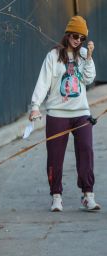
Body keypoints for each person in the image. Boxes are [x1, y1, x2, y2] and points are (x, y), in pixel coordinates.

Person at [29, 15, 101, 212]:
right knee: (55, 157)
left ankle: (88, 196)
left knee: (86, 151)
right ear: (68, 34)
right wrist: (35, 106)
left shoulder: (85, 54)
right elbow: (43, 82)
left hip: (81, 113)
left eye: (82, 37)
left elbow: (88, 79)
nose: (78, 40)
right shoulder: (53, 56)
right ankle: (56, 196)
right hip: (57, 113)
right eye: (75, 35)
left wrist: (90, 58)